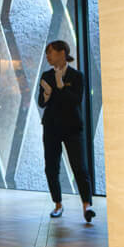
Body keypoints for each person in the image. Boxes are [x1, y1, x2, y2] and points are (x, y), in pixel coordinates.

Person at [38, 40, 95, 223]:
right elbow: (41, 103)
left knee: (79, 166)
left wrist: (61, 86)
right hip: (51, 127)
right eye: (47, 53)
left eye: (50, 52)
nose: (47, 56)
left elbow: (76, 100)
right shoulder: (46, 75)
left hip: (72, 127)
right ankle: (58, 204)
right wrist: (47, 93)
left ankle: (87, 205)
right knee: (51, 167)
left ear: (62, 53)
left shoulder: (77, 76)